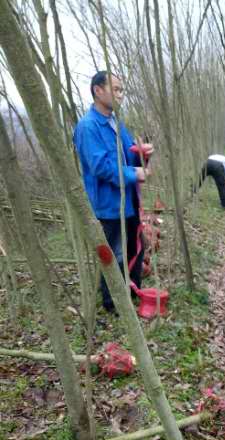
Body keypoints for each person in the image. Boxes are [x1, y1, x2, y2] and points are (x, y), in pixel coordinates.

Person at [73, 71, 153, 313]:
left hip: (129, 201)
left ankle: (133, 293)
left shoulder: (116, 122)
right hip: (108, 205)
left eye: (121, 90)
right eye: (116, 89)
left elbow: (128, 154)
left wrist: (141, 154)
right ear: (98, 90)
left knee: (134, 250)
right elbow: (101, 167)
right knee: (114, 254)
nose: (120, 94)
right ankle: (114, 304)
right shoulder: (88, 127)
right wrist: (134, 174)